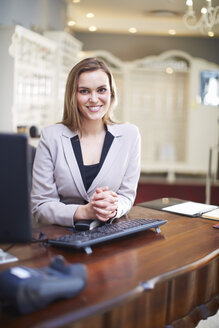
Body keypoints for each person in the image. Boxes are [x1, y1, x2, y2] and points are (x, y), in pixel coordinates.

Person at [31, 58, 141, 227]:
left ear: (111, 93)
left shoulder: (130, 135)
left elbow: (126, 196)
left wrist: (113, 207)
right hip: (61, 237)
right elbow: (40, 206)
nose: (94, 99)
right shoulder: (50, 136)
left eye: (101, 90)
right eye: (84, 91)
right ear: (72, 95)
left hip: (108, 235)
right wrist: (83, 212)